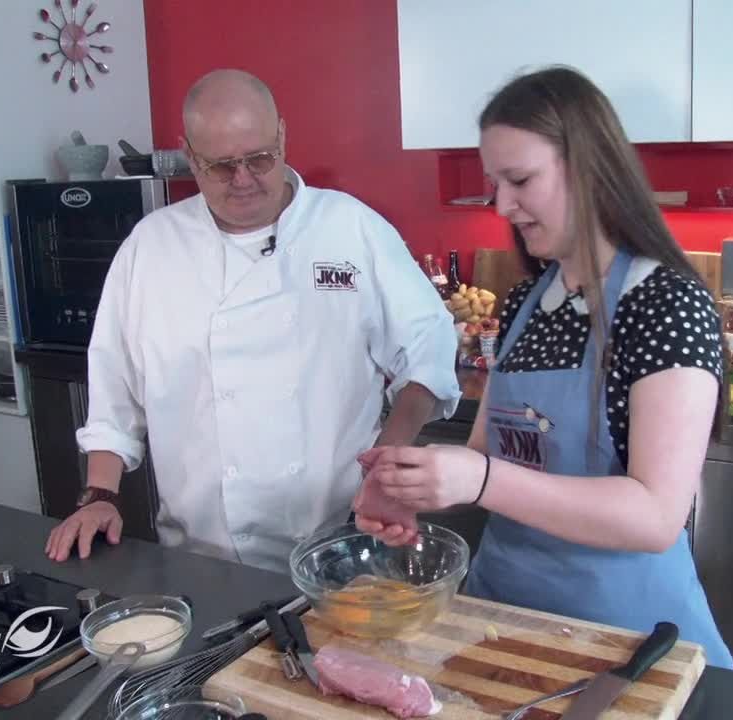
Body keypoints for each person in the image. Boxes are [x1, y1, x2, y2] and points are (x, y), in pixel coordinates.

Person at [357, 66, 733, 669]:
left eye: (520, 179)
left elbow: (657, 516)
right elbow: (491, 455)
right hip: (505, 622)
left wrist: (479, 480)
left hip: (627, 645)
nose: (501, 203)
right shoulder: (527, 302)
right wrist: (419, 487)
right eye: (495, 182)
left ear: (589, 168)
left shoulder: (665, 303)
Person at [45, 69, 460, 572]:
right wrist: (98, 495)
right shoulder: (150, 248)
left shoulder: (350, 228)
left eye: (260, 159)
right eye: (220, 166)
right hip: (199, 557)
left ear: (282, 135)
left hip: (341, 544)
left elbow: (429, 348)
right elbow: (114, 387)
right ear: (188, 155)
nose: (243, 180)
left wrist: (388, 464)